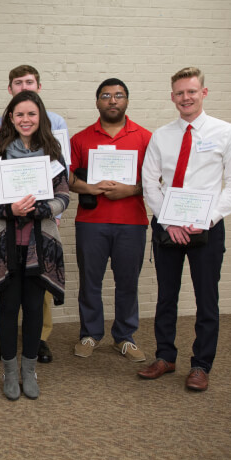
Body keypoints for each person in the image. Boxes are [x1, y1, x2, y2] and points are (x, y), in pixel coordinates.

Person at [138, 67, 231, 391]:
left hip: (207, 228)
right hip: (168, 228)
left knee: (206, 298)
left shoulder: (226, 133)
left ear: (204, 93)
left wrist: (207, 219)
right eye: (180, 93)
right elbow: (149, 182)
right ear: (172, 97)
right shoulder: (162, 135)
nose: (186, 98)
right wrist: (168, 221)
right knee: (166, 296)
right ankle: (165, 357)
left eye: (192, 91)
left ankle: (201, 365)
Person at [0, 90, 69, 401]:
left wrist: (40, 209)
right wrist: (10, 210)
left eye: (31, 114)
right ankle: (8, 372)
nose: (26, 119)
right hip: (5, 245)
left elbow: (64, 196)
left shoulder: (53, 153)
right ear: (11, 119)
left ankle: (29, 370)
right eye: (19, 115)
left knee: (33, 310)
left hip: (40, 246)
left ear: (39, 117)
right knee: (7, 309)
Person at [69, 79, 151, 362]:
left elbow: (156, 179)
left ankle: (125, 337)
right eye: (106, 96)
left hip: (132, 222)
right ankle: (90, 334)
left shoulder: (144, 137)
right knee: (90, 280)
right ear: (97, 102)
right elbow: (67, 179)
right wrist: (90, 188)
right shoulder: (80, 139)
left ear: (127, 101)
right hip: (91, 222)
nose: (112, 100)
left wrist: (132, 189)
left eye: (119, 96)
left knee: (127, 282)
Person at [0, 64, 69, 364]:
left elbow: (62, 185)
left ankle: (38, 343)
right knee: (9, 299)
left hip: (41, 229)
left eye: (29, 82)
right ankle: (11, 348)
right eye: (18, 82)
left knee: (38, 300)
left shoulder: (53, 138)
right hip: (8, 228)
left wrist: (47, 210)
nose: (26, 119)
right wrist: (7, 208)